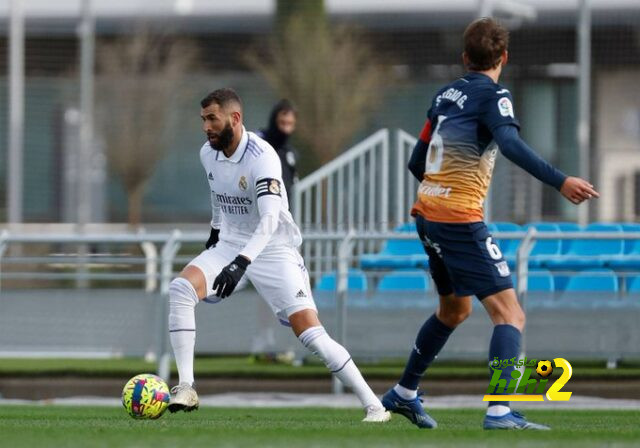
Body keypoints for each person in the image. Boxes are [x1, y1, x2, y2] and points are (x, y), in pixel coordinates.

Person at [381, 18, 599, 430]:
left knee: (453, 310)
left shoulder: (443, 96)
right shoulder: (495, 95)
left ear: (465, 58)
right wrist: (561, 180)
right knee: (510, 315)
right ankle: (500, 410)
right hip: (459, 219)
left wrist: (443, 189)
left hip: (427, 214)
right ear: (504, 58)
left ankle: (404, 393)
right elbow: (511, 143)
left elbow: (417, 161)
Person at [168, 88, 390, 423]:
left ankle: (375, 406)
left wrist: (241, 264)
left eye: (212, 118)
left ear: (235, 118)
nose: (206, 127)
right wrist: (215, 233)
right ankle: (186, 387)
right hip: (230, 243)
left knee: (310, 334)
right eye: (203, 120)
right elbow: (217, 193)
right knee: (181, 289)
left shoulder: (263, 156)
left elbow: (270, 220)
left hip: (274, 249)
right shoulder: (207, 153)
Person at [258, 99, 298, 200]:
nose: (285, 129)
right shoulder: (259, 143)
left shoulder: (290, 153)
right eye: (282, 123)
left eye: (289, 124)